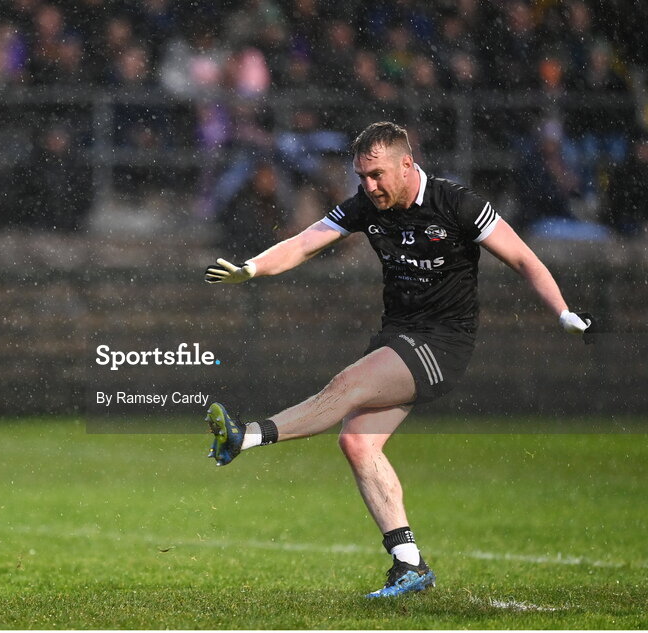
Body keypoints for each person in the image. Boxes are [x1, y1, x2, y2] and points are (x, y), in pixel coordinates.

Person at [202, 122, 591, 598]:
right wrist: (252, 268)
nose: (369, 186)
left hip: (443, 343)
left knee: (346, 385)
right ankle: (409, 565)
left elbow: (525, 259)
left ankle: (246, 436)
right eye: (362, 176)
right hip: (399, 337)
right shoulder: (369, 205)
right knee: (359, 445)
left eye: (377, 175)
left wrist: (564, 312)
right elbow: (306, 241)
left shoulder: (457, 204)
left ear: (407, 164)